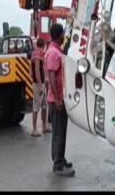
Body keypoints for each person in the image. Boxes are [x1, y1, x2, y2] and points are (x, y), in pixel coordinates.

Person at [44, 23, 75, 177]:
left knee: (60, 131)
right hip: (56, 99)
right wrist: (57, 99)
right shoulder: (52, 53)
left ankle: (60, 159)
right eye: (63, 33)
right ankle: (58, 165)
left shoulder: (57, 51)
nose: (64, 35)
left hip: (60, 98)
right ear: (59, 35)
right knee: (58, 133)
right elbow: (50, 77)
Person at [31, 38, 51, 137]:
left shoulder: (36, 53)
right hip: (38, 84)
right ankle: (34, 129)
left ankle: (44, 126)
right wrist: (40, 85)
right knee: (36, 106)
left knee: (44, 105)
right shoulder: (38, 55)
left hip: (41, 83)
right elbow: (37, 70)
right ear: (43, 45)